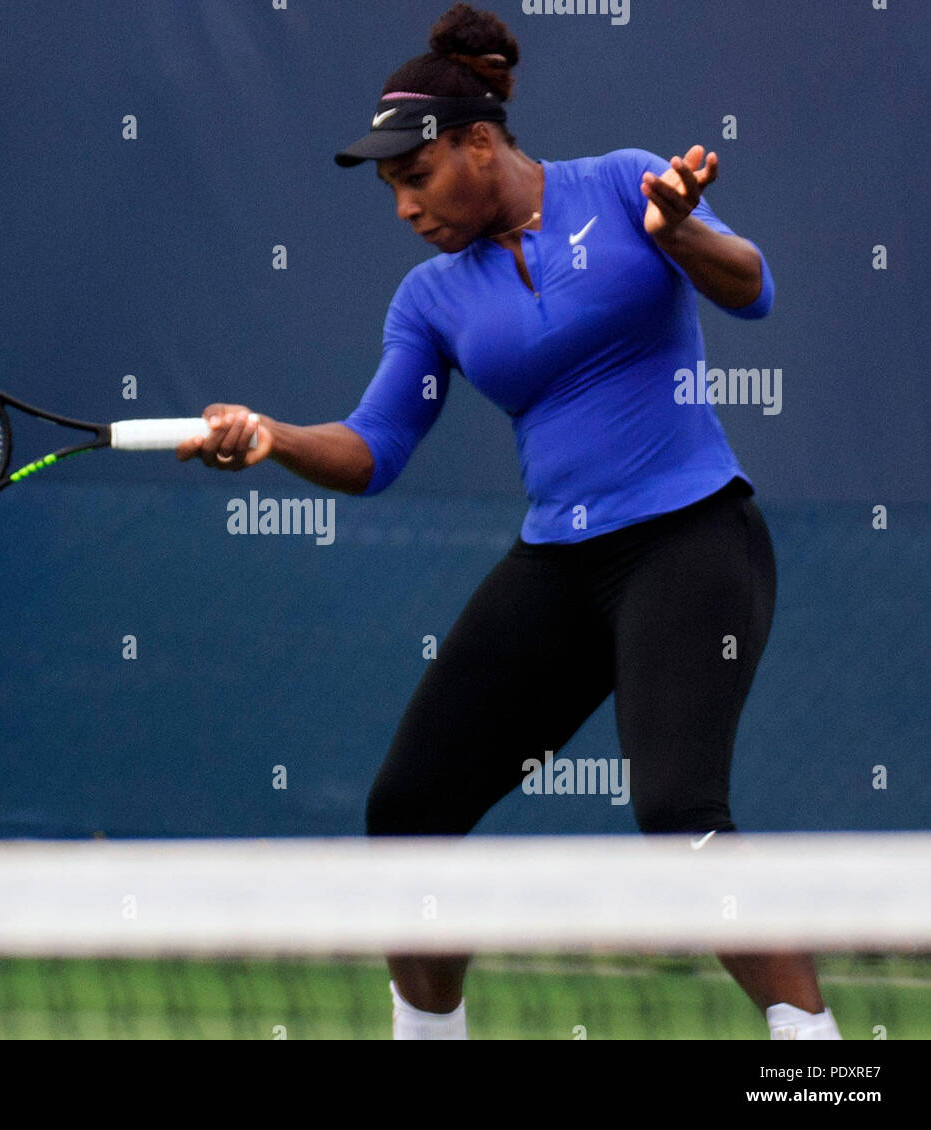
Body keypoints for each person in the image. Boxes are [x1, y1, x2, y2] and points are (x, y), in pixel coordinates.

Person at [176, 3, 838, 1041]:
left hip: (691, 537)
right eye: (391, 189)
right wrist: (271, 435)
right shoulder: (430, 297)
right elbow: (373, 451)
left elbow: (749, 287)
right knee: (407, 812)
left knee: (680, 815)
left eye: (415, 177)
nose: (403, 208)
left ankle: (818, 1061)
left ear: (478, 142)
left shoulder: (624, 182)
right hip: (560, 566)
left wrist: (678, 234)